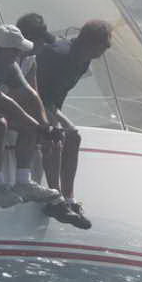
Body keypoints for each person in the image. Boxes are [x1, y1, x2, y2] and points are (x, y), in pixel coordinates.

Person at [32, 19, 114, 229]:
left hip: (49, 104)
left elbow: (56, 95)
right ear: (92, 42)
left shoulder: (83, 60)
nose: (106, 49)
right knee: (56, 135)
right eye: (105, 44)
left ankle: (69, 199)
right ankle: (55, 200)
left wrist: (55, 116)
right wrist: (50, 121)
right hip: (30, 102)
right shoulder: (59, 54)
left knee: (74, 135)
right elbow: (34, 88)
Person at [0, 24, 61, 207]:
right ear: (2, 49)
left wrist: (45, 126)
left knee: (29, 127)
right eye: (15, 51)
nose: (19, 54)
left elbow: (30, 94)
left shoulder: (9, 63)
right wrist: (35, 124)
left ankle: (23, 182)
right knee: (0, 124)